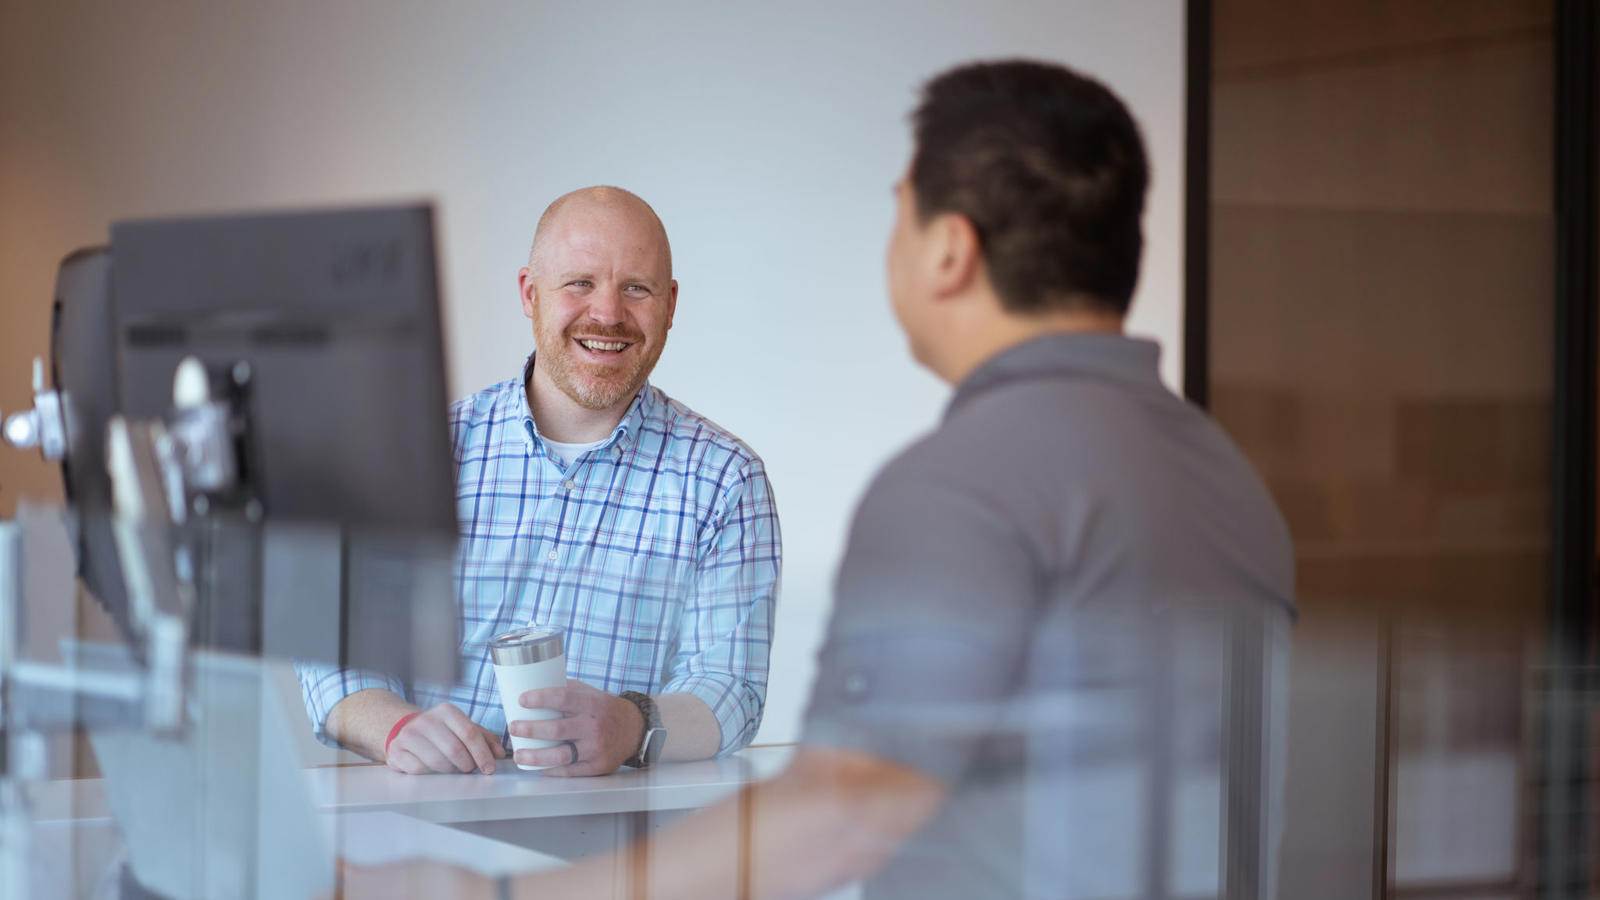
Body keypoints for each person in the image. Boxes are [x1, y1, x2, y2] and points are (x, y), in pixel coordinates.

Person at [346, 58, 1293, 898]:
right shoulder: (1232, 482)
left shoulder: (957, 488)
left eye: (899, 204)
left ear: (949, 250)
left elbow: (838, 812)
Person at [298, 187, 781, 777]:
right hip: (422, 827)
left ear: (671, 304)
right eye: (579, 283)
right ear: (530, 294)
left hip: (617, 845)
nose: (608, 314)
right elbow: (334, 648)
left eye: (637, 287)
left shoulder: (727, 481)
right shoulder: (420, 449)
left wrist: (632, 726)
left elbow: (731, 688)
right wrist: (396, 729)